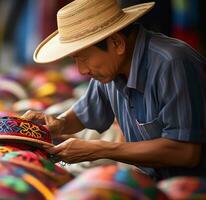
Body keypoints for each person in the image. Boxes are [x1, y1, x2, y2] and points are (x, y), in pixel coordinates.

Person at [22, 0, 206, 181]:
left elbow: (186, 152)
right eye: (75, 59)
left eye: (83, 58)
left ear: (117, 43)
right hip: (153, 182)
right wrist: (58, 124)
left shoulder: (172, 63)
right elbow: (85, 112)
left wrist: (100, 150)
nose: (81, 71)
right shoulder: (111, 70)